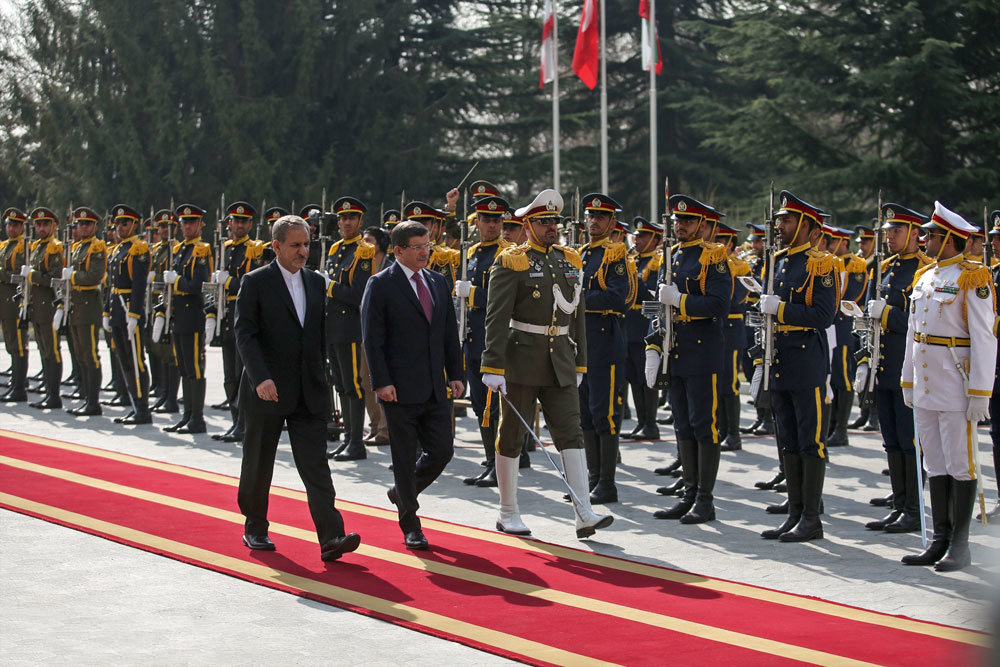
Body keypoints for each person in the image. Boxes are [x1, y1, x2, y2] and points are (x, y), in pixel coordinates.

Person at [480, 188, 613, 538]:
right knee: (512, 436)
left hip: (560, 361)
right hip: (521, 359)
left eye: (554, 220)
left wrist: (581, 361)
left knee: (571, 433)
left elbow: (577, 315)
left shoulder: (570, 260)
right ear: (527, 225)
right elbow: (496, 317)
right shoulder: (512, 260)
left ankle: (583, 512)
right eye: (543, 221)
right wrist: (492, 366)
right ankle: (507, 511)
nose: (551, 227)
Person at [235, 214, 361, 562]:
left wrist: (326, 375)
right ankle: (255, 526)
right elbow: (245, 334)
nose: (303, 251)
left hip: (309, 389)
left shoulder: (316, 282)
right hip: (268, 389)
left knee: (316, 464)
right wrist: (260, 377)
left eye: (306, 244)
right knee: (259, 462)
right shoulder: (255, 282)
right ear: (276, 246)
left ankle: (331, 536)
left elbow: (318, 336)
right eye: (295, 245)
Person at [900, 201, 996, 571]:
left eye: (932, 235)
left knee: (960, 462)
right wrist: (907, 378)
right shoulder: (925, 277)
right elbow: (913, 334)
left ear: (951, 240)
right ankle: (939, 539)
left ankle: (961, 544)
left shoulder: (973, 277)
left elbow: (985, 338)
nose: (924, 239)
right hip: (926, 381)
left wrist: (979, 392)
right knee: (935, 461)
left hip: (956, 381)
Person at [361, 220, 464, 550]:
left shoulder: (437, 281)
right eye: (417, 247)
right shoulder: (381, 284)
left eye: (427, 245)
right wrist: (381, 382)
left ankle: (401, 493)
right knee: (404, 457)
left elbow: (449, 333)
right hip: (399, 389)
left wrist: (457, 373)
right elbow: (372, 340)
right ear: (399, 250)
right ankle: (410, 522)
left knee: (442, 451)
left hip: (435, 385)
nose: (425, 252)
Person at [645, 195, 731, 524]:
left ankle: (705, 500)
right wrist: (652, 345)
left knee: (702, 425)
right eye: (678, 221)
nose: (681, 226)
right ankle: (688, 492)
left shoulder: (714, 257)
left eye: (688, 221)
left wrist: (680, 300)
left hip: (701, 348)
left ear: (703, 225)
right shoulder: (672, 255)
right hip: (675, 349)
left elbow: (719, 305)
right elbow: (657, 305)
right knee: (681, 423)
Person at [757, 190, 838, 542]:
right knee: (787, 440)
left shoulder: (822, 264)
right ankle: (793, 512)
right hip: (780, 357)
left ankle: (811, 517)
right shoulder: (777, 261)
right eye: (780, 220)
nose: (780, 226)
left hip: (806, 357)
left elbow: (824, 316)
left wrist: (781, 309)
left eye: (787, 220)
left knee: (810, 441)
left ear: (808, 227)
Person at [863, 203, 931, 532]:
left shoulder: (924, 270)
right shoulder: (886, 267)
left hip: (909, 365)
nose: (890, 236)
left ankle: (914, 510)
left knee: (908, 439)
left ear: (916, 233)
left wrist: (885, 314)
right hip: (885, 363)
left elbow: (922, 323)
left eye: (897, 231)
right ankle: (899, 501)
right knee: (890, 438)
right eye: (888, 231)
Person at [578, 193, 636, 504]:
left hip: (604, 343)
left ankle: (608, 483)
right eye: (590, 216)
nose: (594, 221)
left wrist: (580, 298)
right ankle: (592, 477)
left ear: (611, 223)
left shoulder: (615, 255)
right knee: (585, 415)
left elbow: (618, 298)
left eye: (601, 217)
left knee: (605, 415)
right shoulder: (582, 253)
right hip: (582, 344)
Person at [454, 194, 511, 487]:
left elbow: (509, 301)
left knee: (496, 406)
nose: (491, 225)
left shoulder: (509, 253)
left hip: (497, 341)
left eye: (496, 220)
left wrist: (473, 293)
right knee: (479, 404)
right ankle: (490, 461)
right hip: (474, 338)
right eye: (486, 220)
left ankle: (500, 465)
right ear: (476, 222)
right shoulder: (472, 253)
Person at [325, 196, 376, 462]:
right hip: (332, 325)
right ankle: (347, 438)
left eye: (351, 218)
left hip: (350, 326)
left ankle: (357, 441)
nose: (346, 222)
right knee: (341, 384)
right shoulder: (334, 249)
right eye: (342, 218)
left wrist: (330, 287)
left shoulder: (363, 251)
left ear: (360, 221)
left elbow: (359, 293)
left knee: (354, 385)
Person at [209, 202, 266, 443]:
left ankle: (245, 423)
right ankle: (235, 422)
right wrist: (210, 312)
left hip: (244, 313)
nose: (239, 225)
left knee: (243, 374)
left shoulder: (255, 249)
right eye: (236, 221)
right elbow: (214, 289)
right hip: (225, 314)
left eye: (244, 221)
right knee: (229, 376)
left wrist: (229, 281)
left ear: (251, 225)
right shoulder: (225, 249)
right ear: (229, 223)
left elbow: (252, 284)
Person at [162, 204, 212, 434]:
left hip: (193, 316)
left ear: (200, 224)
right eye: (184, 222)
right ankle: (187, 415)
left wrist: (177, 282)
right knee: (183, 367)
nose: (187, 226)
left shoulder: (202, 250)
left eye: (192, 221)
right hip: (179, 316)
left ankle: (197, 418)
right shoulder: (179, 249)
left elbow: (199, 286)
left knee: (194, 368)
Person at [105, 205, 152, 425]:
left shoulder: (139, 248)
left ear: (134, 224)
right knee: (124, 360)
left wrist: (134, 314)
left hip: (128, 310)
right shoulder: (116, 250)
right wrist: (106, 310)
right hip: (116, 310)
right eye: (118, 224)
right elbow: (111, 284)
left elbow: (139, 284)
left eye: (125, 223)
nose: (120, 227)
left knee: (136, 361)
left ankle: (143, 409)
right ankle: (134, 405)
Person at [63, 207, 107, 416]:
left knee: (90, 355)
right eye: (80, 224)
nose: (82, 227)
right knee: (81, 355)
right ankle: (87, 397)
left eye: (87, 224)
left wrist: (72, 277)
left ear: (94, 226)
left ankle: (94, 402)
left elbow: (94, 276)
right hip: (76, 306)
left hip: (88, 307)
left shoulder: (97, 247)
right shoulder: (78, 247)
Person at [621, 216, 662, 442]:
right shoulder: (631, 260)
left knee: (648, 377)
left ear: (655, 239)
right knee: (634, 377)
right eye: (636, 235)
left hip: (645, 322)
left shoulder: (657, 262)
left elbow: (653, 294)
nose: (637, 239)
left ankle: (651, 423)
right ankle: (641, 422)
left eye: (643, 236)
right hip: (629, 323)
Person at [827, 227, 868, 448]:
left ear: (844, 241)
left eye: (832, 240)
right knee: (832, 377)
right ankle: (832, 426)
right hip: (829, 326)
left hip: (843, 325)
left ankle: (841, 430)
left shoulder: (856, 265)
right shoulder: (826, 261)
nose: (828, 243)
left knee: (842, 377)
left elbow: (851, 294)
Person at [23, 207, 65, 410]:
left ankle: (54, 395)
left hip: (49, 307)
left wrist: (33, 276)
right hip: (37, 308)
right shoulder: (37, 247)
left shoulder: (54, 248)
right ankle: (49, 391)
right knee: (44, 351)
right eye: (38, 224)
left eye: (45, 224)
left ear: (53, 226)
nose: (41, 228)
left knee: (52, 351)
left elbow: (56, 280)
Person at [716, 221, 750, 452]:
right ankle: (719, 429)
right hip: (715, 329)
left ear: (729, 244)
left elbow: (734, 299)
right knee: (715, 383)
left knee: (729, 383)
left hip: (731, 328)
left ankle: (733, 433)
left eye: (720, 241)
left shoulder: (741, 267)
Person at [359, 226, 391, 446]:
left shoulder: (389, 266)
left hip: (385, 331)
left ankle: (385, 430)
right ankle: (373, 424)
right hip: (364, 329)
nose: (365, 244)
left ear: (379, 243)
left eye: (369, 240)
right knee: (365, 379)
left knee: (383, 380)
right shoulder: (362, 265)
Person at [149, 211, 180, 414]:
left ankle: (171, 398)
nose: (163, 230)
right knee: (161, 351)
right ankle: (163, 392)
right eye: (160, 226)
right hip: (158, 304)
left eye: (167, 226)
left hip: (173, 305)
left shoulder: (176, 249)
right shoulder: (158, 249)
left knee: (171, 354)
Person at [0, 207, 29, 403]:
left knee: (18, 345)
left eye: (16, 225)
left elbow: (19, 275)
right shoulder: (5, 246)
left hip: (14, 301)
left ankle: (19, 387)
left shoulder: (23, 247)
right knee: (10, 344)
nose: (11, 228)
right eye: (9, 224)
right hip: (3, 301)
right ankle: (15, 383)